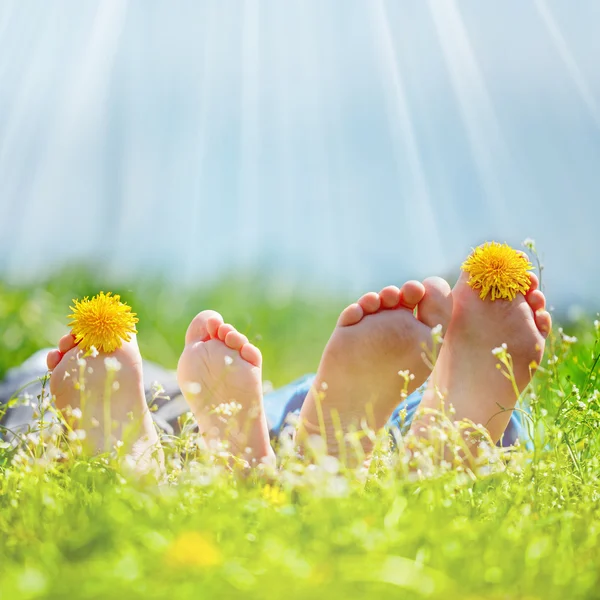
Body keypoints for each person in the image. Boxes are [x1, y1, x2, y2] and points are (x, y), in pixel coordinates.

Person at [0, 255, 552, 473]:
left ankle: (139, 466)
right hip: (210, 405)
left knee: (36, 400)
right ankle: (447, 442)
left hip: (169, 407)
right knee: (212, 412)